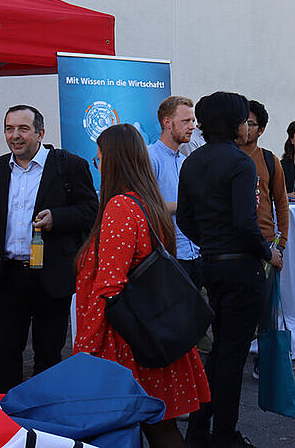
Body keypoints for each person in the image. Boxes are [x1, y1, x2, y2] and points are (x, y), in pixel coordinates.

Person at [74, 123, 210, 448]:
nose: (98, 164)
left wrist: (85, 351)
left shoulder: (120, 207)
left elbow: (108, 287)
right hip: (151, 332)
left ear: (113, 160)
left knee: (141, 428)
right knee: (158, 426)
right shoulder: (146, 202)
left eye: (99, 158)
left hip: (126, 343)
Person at [178, 91, 282, 448]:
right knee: (231, 355)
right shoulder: (241, 163)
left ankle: (197, 430)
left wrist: (210, 241)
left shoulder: (192, 162)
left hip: (210, 264)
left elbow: (187, 218)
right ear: (233, 123)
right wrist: (267, 252)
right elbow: (245, 222)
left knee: (217, 351)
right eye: (243, 119)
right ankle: (224, 434)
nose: (245, 126)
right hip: (241, 269)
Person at [0, 105, 97, 393]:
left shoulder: (70, 166)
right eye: (9, 129)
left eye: (23, 129)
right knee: (4, 351)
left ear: (40, 133)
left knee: (49, 353)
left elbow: (91, 210)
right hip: (9, 276)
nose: (15, 136)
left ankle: (44, 418)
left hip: (51, 275)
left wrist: (58, 218)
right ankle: (6, 416)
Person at [147, 96, 201, 284]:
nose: (192, 126)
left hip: (194, 252)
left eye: (193, 121)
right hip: (169, 253)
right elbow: (143, 205)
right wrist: (186, 205)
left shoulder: (184, 160)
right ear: (167, 123)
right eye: (186, 121)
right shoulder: (150, 157)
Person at [241, 100, 289, 251]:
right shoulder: (226, 158)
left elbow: (281, 202)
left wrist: (281, 242)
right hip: (234, 241)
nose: (246, 128)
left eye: (251, 124)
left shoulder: (270, 160)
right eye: (242, 122)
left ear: (261, 130)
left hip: (265, 239)